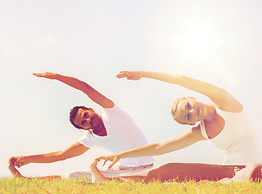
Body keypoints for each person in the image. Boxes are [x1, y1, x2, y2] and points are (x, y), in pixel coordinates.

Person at [97, 70, 262, 183]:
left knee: (258, 170)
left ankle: (231, 183)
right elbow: (160, 148)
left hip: (252, 168)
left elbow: (182, 79)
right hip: (228, 170)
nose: (193, 110)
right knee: (169, 169)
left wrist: (143, 74)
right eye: (189, 116)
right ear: (191, 123)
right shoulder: (200, 131)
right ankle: (112, 181)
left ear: (192, 98)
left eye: (188, 106)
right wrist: (120, 155)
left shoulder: (224, 102)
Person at [9, 72, 154, 180]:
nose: (87, 120)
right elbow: (60, 156)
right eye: (83, 123)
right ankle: (26, 180)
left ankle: (106, 180)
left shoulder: (112, 112)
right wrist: (27, 159)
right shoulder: (91, 138)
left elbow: (86, 88)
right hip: (118, 170)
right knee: (73, 176)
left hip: (144, 169)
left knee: (119, 182)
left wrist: (56, 77)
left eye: (85, 115)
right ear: (84, 128)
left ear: (90, 110)